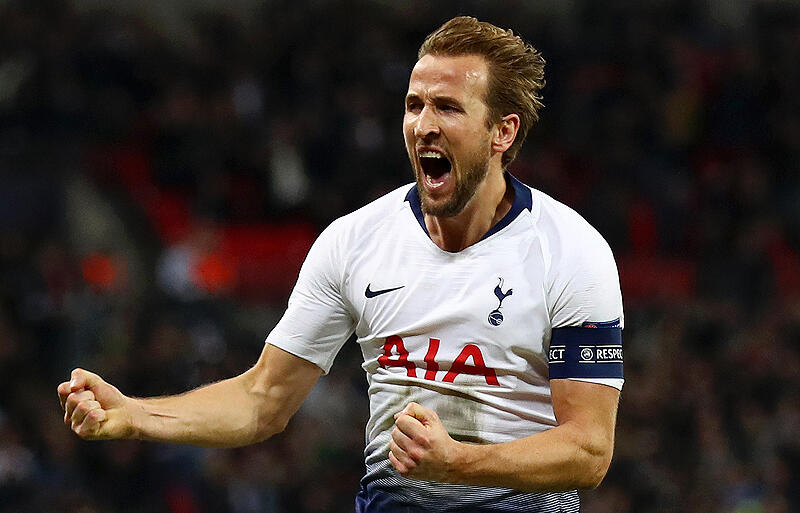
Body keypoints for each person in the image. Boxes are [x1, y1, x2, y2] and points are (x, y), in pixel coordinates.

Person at [58, 16, 624, 512]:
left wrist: (460, 463)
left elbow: (589, 450)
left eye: (448, 107)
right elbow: (262, 400)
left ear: (503, 131)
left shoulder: (571, 252)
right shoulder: (354, 242)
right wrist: (134, 415)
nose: (423, 124)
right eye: (414, 105)